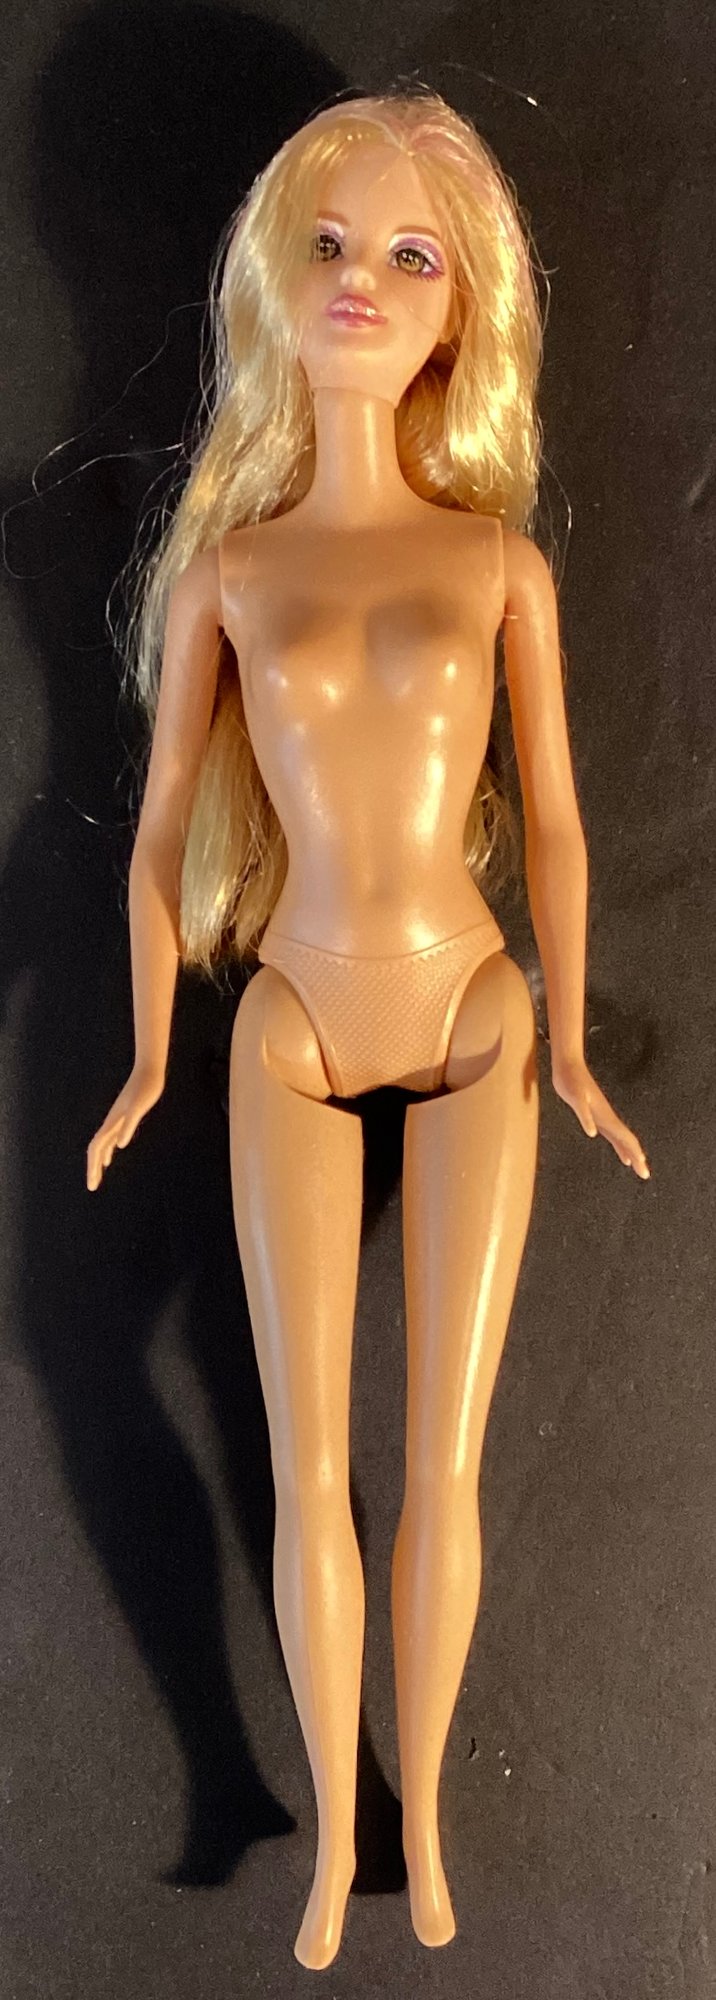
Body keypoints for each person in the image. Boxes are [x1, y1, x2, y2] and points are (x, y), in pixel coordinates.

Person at [86, 90, 650, 1970]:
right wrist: (149, 1053)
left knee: (444, 1463)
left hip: (474, 997)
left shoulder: (497, 564)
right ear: (274, 270)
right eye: (330, 244)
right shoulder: (232, 576)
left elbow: (558, 820)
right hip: (296, 1012)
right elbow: (162, 833)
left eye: (412, 257)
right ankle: (332, 1832)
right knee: (307, 1453)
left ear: (461, 314)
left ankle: (429, 1827)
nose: (362, 283)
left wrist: (570, 1043)